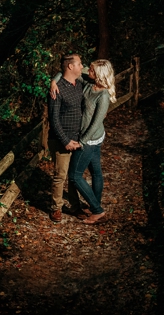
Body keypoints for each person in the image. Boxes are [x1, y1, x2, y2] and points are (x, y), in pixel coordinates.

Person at [50, 59, 116, 225]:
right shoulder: (88, 81)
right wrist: (53, 81)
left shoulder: (103, 95)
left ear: (99, 74)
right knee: (96, 172)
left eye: (91, 70)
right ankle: (95, 204)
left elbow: (95, 123)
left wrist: (82, 142)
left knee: (75, 176)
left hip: (91, 139)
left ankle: (97, 210)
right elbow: (65, 71)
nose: (87, 70)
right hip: (89, 138)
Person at [46, 53, 85, 222]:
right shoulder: (57, 89)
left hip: (78, 139)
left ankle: (76, 206)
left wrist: (53, 77)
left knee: (74, 175)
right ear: (70, 67)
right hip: (61, 140)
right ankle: (56, 208)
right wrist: (65, 141)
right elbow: (53, 119)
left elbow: (95, 71)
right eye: (79, 64)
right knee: (60, 175)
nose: (82, 66)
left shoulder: (80, 83)